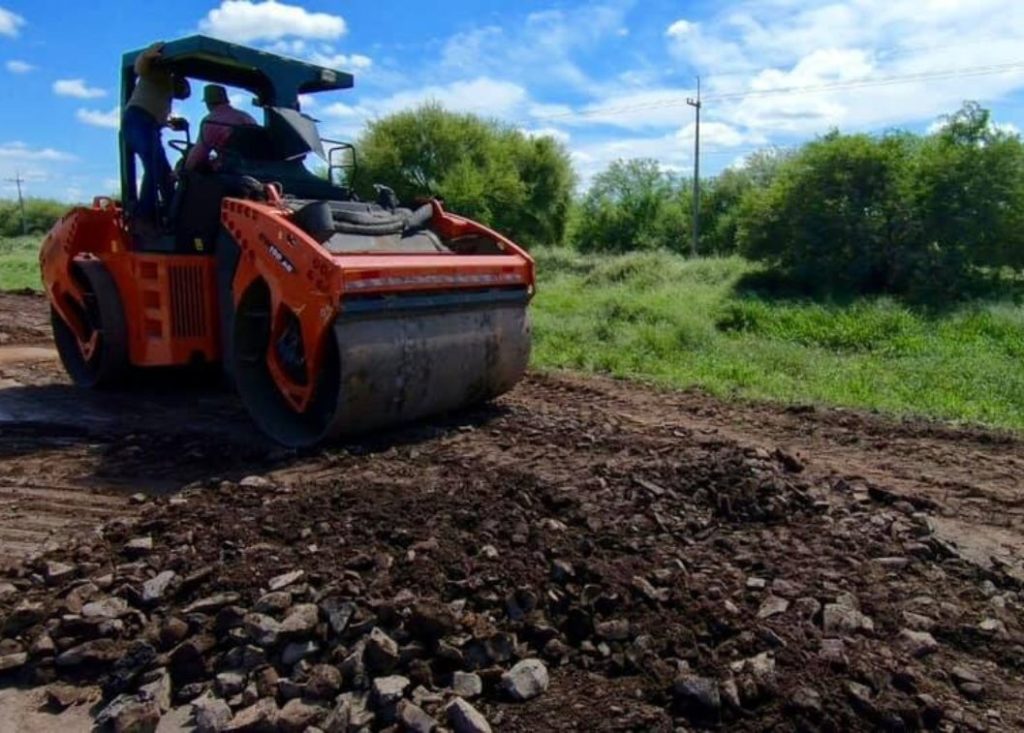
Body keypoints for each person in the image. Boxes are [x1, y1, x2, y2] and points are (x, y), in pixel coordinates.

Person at [122, 41, 190, 229]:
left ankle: (174, 215)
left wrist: (171, 123)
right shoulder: (153, 70)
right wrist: (146, 55)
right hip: (137, 121)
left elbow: (183, 93)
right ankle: (144, 217)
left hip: (151, 125)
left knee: (165, 174)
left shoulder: (166, 85)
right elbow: (139, 68)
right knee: (153, 166)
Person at [185, 84, 258, 172]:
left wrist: (185, 169)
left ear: (208, 103)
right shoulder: (247, 116)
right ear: (226, 100)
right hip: (257, 168)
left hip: (230, 170)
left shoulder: (211, 120)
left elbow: (199, 154)